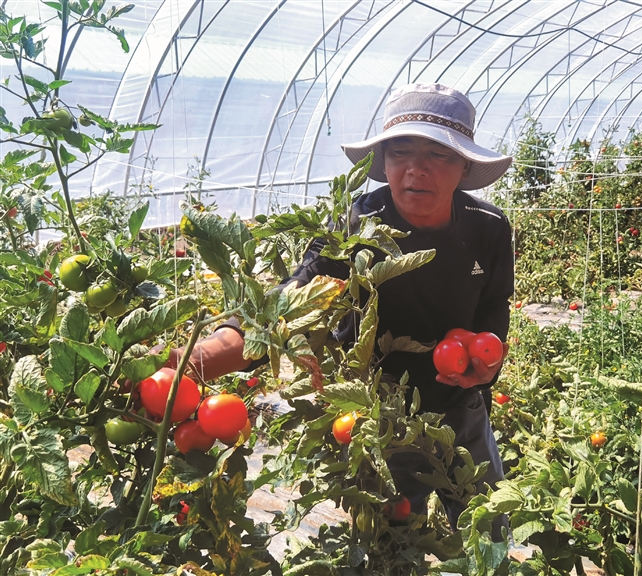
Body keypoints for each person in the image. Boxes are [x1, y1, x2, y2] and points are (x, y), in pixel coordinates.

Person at [162, 83, 514, 539]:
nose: (415, 169)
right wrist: (190, 363)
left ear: (464, 165)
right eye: (400, 152)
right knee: (390, 544)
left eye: (438, 154)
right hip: (377, 417)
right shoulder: (355, 225)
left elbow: (494, 308)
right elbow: (291, 302)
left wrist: (488, 361)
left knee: (490, 529)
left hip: (461, 411)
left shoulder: (489, 227)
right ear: (383, 161)